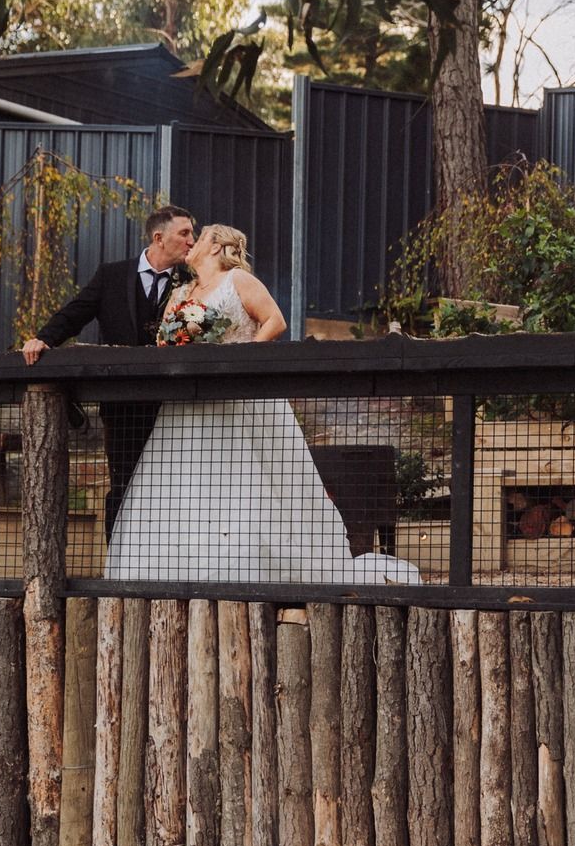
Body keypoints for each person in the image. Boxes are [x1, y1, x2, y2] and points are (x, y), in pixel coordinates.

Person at [105, 223, 422, 586]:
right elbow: (165, 339)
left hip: (238, 400)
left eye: (200, 236)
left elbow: (275, 321)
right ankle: (176, 569)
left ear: (215, 246)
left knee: (243, 480)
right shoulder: (182, 292)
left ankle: (251, 567)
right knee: (185, 482)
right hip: (188, 405)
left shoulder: (238, 280)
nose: (191, 243)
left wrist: (241, 361)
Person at [22, 205, 197, 537]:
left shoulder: (192, 281)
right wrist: (43, 338)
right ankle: (116, 569)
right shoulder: (112, 275)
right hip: (122, 404)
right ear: (159, 238)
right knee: (123, 483)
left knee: (175, 486)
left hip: (175, 403)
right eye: (185, 233)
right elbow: (76, 313)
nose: (192, 240)